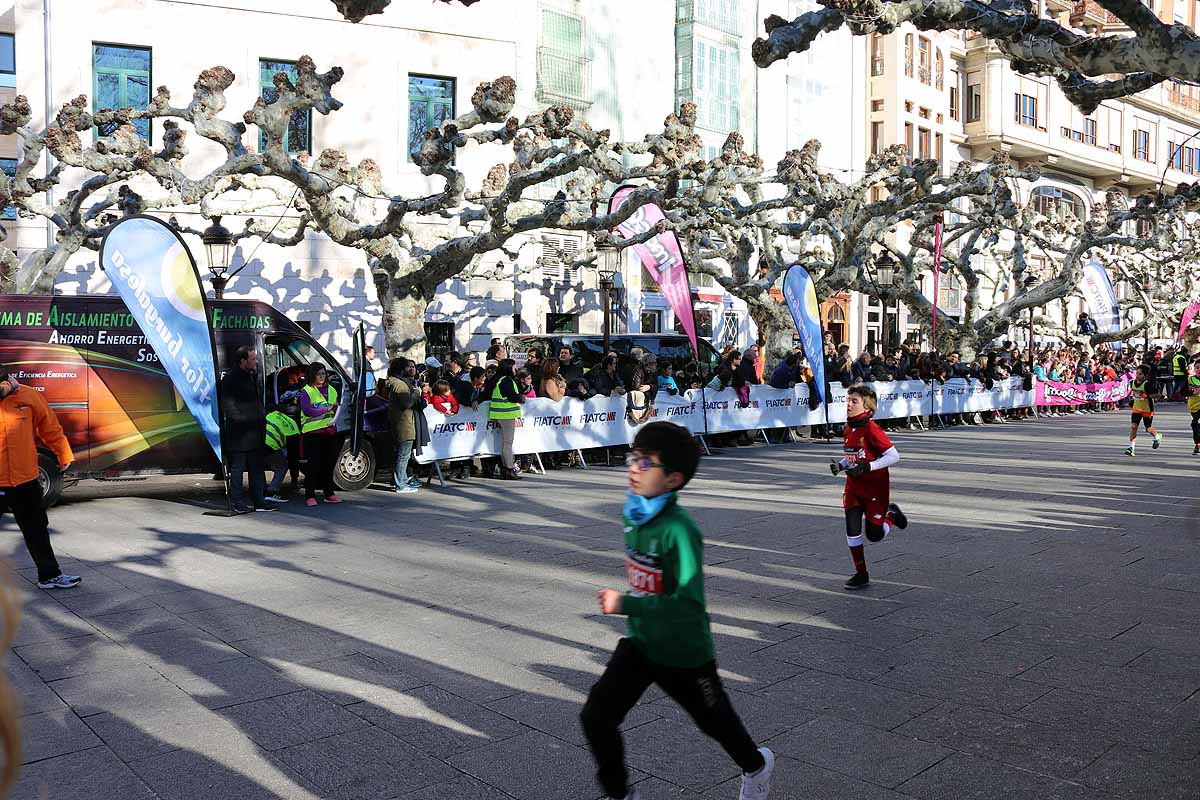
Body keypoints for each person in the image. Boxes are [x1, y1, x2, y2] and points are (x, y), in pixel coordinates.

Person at [580, 422, 774, 800]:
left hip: (685, 652)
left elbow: (685, 602)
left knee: (715, 723)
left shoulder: (680, 531)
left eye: (646, 463)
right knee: (596, 716)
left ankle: (757, 766)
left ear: (673, 480)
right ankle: (620, 794)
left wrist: (625, 603)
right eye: (633, 458)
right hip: (642, 642)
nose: (634, 468)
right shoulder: (633, 513)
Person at [0, 368, 79, 589]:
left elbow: (50, 427)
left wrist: (63, 453)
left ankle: (49, 575)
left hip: (25, 479)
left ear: (7, 382)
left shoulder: (28, 395)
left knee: (37, 529)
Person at [829, 385, 909, 590]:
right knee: (852, 530)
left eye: (854, 401)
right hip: (853, 488)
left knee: (874, 535)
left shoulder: (872, 429)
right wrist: (841, 465)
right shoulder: (848, 428)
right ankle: (861, 574)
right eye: (847, 400)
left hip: (875, 489)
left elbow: (894, 456)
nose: (848, 404)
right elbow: (853, 456)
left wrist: (869, 467)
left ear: (867, 406)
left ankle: (892, 516)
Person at [221, 346, 275, 514]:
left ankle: (259, 500)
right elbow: (228, 405)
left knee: (257, 468)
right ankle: (238, 502)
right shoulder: (230, 379)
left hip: (256, 432)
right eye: (252, 359)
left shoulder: (252, 376)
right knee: (237, 469)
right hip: (240, 434)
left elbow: (258, 401)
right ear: (242, 361)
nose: (256, 361)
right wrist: (242, 420)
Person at [299, 363, 342, 506]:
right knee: (313, 465)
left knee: (329, 465)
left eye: (324, 374)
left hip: (330, 432)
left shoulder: (332, 390)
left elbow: (336, 408)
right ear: (312, 375)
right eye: (319, 374)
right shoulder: (307, 391)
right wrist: (326, 409)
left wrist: (334, 410)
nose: (322, 377)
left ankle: (329, 493)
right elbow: (307, 411)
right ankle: (309, 495)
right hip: (312, 433)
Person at [379, 358, 421, 493]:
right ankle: (400, 484)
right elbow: (407, 403)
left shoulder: (394, 382)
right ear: (401, 369)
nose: (411, 370)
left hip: (399, 423)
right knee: (403, 455)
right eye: (408, 367)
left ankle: (398, 480)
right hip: (404, 424)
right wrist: (416, 392)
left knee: (401, 455)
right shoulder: (400, 385)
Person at [489, 359, 525, 479]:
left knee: (505, 443)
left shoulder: (498, 379)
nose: (516, 368)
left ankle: (506, 468)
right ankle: (509, 469)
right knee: (508, 443)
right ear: (509, 367)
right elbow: (512, 397)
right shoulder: (506, 380)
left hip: (500, 414)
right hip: (506, 415)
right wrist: (520, 398)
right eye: (515, 366)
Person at [1125, 363, 1163, 457]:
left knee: (1148, 428)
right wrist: (1132, 399)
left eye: (1140, 374)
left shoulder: (1147, 385)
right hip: (1136, 409)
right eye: (1137, 373)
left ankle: (1156, 436)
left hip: (1147, 409)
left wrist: (1147, 396)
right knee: (1134, 427)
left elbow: (1157, 395)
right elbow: (1134, 394)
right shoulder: (1132, 383)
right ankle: (1131, 447)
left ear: (1145, 376)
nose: (1138, 376)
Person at [263, 408, 300, 502]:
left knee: (257, 468)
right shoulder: (293, 427)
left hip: (255, 443)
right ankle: (272, 492)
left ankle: (258, 492)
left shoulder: (272, 414)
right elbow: (293, 457)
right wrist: (294, 480)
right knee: (282, 467)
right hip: (270, 446)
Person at [1191, 359, 1200, 455]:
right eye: (1197, 368)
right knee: (1197, 426)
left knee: (1195, 424)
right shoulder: (1190, 379)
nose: (1199, 370)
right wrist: (1192, 392)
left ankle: (1197, 444)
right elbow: (1183, 392)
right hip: (1194, 407)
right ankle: (1197, 443)